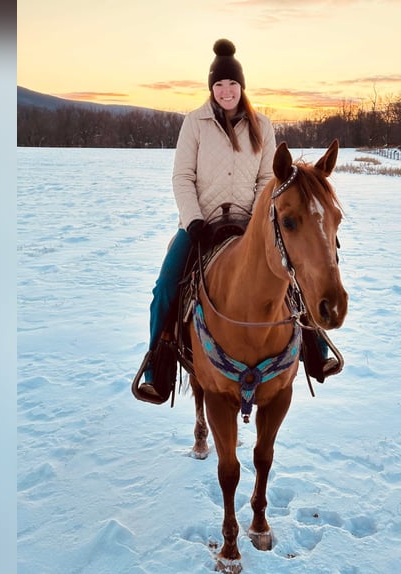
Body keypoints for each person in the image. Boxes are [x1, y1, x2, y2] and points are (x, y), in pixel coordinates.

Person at [138, 38, 338, 397]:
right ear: (211, 88)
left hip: (251, 225)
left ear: (241, 86)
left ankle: (314, 345)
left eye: (231, 84)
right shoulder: (194, 124)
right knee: (166, 286)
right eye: (219, 85)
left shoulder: (262, 125)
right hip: (200, 226)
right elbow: (182, 176)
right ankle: (158, 363)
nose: (225, 91)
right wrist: (193, 219)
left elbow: (269, 180)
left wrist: (260, 219)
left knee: (292, 275)